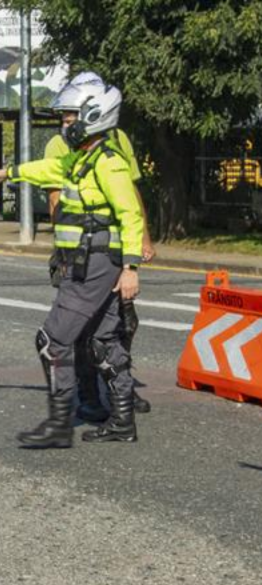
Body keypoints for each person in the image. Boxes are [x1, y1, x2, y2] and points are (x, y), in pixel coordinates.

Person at [0, 76, 145, 448]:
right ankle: (123, 421)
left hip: (94, 265)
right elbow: (46, 171)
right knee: (102, 340)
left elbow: (130, 214)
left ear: (92, 116)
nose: (64, 124)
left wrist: (131, 268)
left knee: (52, 341)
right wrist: (8, 173)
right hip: (90, 262)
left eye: (68, 117)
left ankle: (60, 424)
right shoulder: (81, 159)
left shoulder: (108, 164)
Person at [43, 71, 154, 423]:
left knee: (121, 322)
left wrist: (143, 238)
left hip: (114, 249)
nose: (67, 119)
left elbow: (130, 192)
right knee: (79, 326)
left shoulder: (117, 137)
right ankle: (88, 395)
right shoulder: (61, 142)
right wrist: (67, 247)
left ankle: (120, 390)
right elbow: (56, 197)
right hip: (79, 248)